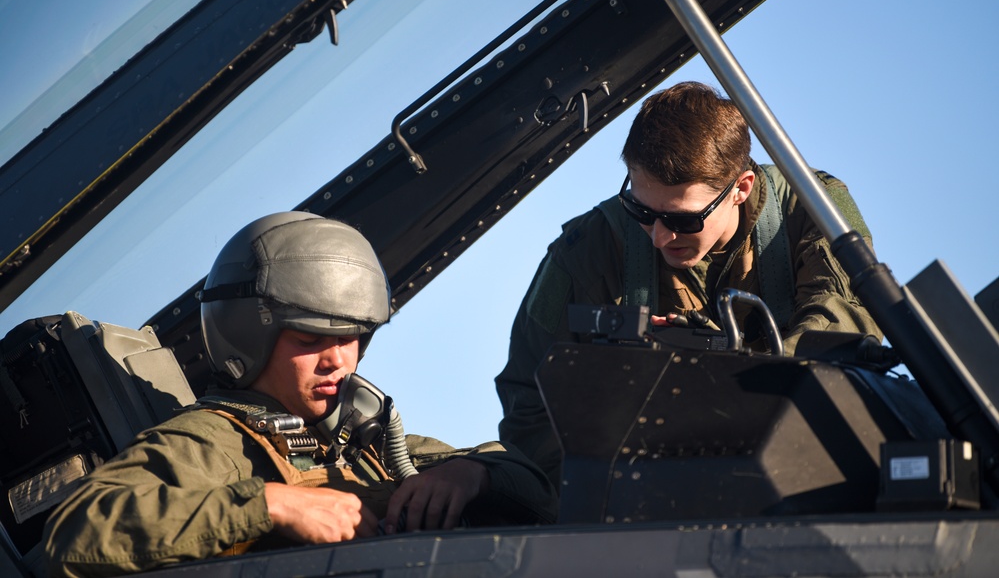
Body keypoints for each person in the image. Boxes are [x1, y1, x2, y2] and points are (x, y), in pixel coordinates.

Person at [44, 212, 556, 577]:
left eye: (352, 338)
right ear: (248, 335)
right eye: (309, 340)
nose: (338, 361)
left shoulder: (361, 435)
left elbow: (539, 489)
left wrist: (470, 476)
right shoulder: (212, 439)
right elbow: (77, 533)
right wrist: (270, 504)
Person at [496, 81, 883, 486]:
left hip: (802, 477)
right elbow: (530, 408)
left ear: (741, 189)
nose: (661, 237)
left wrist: (736, 401)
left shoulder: (813, 206)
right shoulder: (585, 251)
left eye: (684, 220)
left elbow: (848, 318)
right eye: (641, 211)